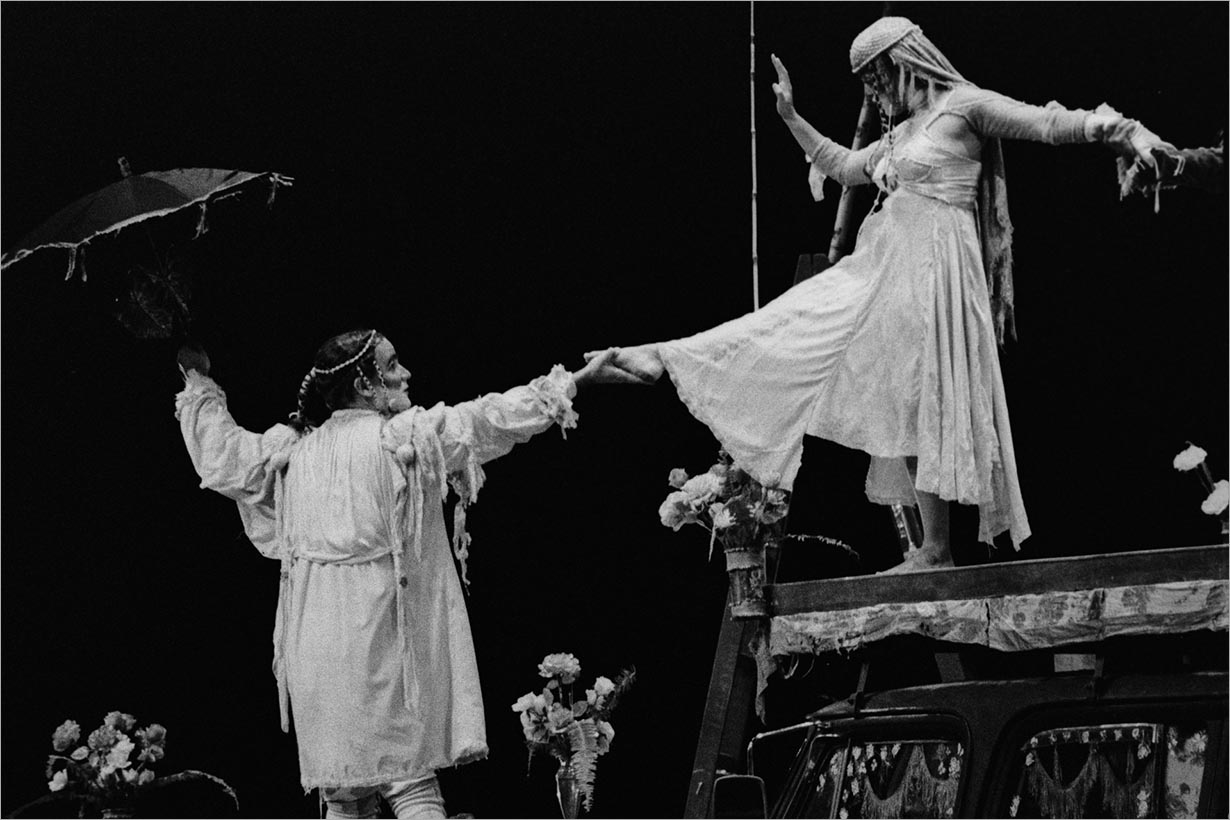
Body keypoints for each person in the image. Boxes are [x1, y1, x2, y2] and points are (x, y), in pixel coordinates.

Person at [586, 16, 1172, 572]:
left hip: (937, 276)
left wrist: (1118, 130)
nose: (873, 92)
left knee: (919, 398)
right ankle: (665, 357)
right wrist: (790, 115)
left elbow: (1044, 123)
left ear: (902, 64)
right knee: (802, 326)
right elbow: (843, 165)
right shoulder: (902, 133)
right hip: (884, 271)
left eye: (874, 78)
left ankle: (936, 549)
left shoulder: (963, 106)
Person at [174, 330, 631, 818]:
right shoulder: (402, 440)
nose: (406, 373)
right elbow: (488, 418)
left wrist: (197, 382)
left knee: (345, 794)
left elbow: (222, 452)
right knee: (410, 783)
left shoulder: (292, 455)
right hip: (383, 642)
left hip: (317, 649)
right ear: (364, 385)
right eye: (392, 365)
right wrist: (576, 382)